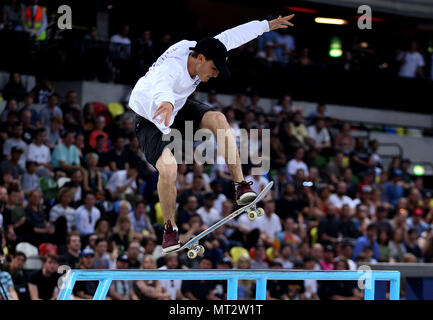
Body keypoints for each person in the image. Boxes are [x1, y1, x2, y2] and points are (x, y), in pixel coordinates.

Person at [129, 15, 295, 253]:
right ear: (200, 59)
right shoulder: (170, 71)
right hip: (151, 116)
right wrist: (165, 102)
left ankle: (240, 186)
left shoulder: (200, 49)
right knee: (168, 169)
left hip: (177, 105)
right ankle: (169, 229)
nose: (215, 75)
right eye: (214, 69)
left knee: (218, 119)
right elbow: (161, 85)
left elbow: (230, 36)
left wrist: (266, 26)